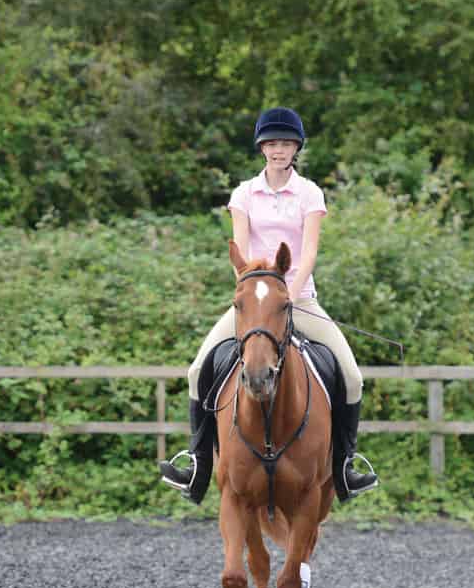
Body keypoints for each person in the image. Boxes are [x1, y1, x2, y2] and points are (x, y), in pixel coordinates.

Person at [159, 106, 378, 503]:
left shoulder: (309, 192)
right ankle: (197, 465)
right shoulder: (244, 194)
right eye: (272, 143)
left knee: (352, 376)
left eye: (286, 143)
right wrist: (254, 297)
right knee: (197, 371)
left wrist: (288, 296)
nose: (279, 150)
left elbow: (309, 250)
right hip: (254, 303)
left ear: (296, 148)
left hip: (300, 298)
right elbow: (240, 250)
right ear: (262, 147)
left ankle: (346, 466)